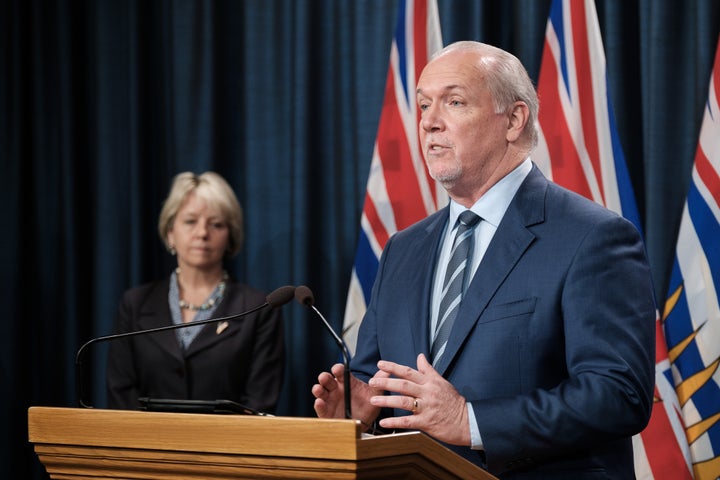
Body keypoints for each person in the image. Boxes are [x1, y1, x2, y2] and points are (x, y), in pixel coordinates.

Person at [312, 41, 655, 479]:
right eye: (423, 105)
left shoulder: (593, 237)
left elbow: (618, 394)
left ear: (513, 120)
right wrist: (363, 411)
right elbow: (377, 379)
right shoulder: (404, 249)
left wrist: (471, 421)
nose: (430, 123)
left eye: (454, 102)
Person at [107, 171, 285, 414]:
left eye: (216, 224)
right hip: (147, 449)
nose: (202, 233)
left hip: (228, 449)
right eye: (190, 221)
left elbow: (259, 404)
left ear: (230, 236)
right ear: (170, 232)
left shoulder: (258, 308)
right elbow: (121, 394)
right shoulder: (135, 303)